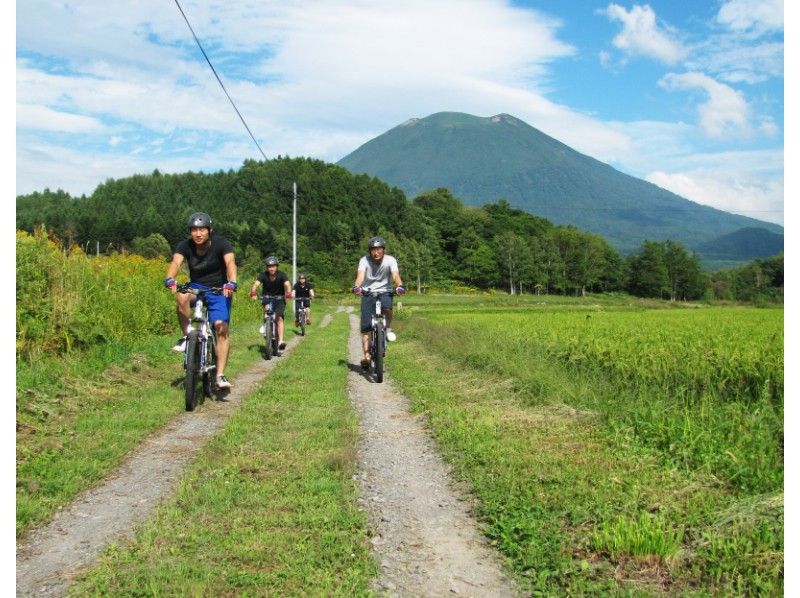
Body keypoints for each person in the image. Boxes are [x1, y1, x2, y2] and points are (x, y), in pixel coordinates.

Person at [164, 212, 238, 390]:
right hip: (196, 287)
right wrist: (170, 278)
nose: (198, 234)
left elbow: (230, 263)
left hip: (218, 290)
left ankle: (220, 375)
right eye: (194, 230)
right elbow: (176, 263)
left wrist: (231, 282)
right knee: (181, 295)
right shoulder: (185, 245)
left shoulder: (222, 243)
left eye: (202, 229)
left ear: (209, 230)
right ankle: (187, 337)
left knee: (221, 328)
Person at [352, 236, 405, 369]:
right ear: (370, 251)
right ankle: (367, 356)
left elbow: (395, 275)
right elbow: (360, 276)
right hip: (367, 292)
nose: (376, 253)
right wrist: (357, 287)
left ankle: (387, 329)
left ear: (383, 250)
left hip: (385, 291)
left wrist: (399, 285)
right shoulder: (364, 260)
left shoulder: (390, 260)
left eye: (379, 249)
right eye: (373, 250)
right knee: (366, 328)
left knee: (387, 308)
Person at [250, 256, 292, 349]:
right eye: (269, 266)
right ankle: (266, 325)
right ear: (267, 267)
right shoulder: (263, 275)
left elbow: (287, 284)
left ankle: (280, 341)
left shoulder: (281, 275)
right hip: (267, 297)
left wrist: (288, 293)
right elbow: (256, 284)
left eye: (273, 266)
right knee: (267, 311)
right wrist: (253, 293)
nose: (271, 268)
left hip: (279, 298)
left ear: (276, 266)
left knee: (279, 318)